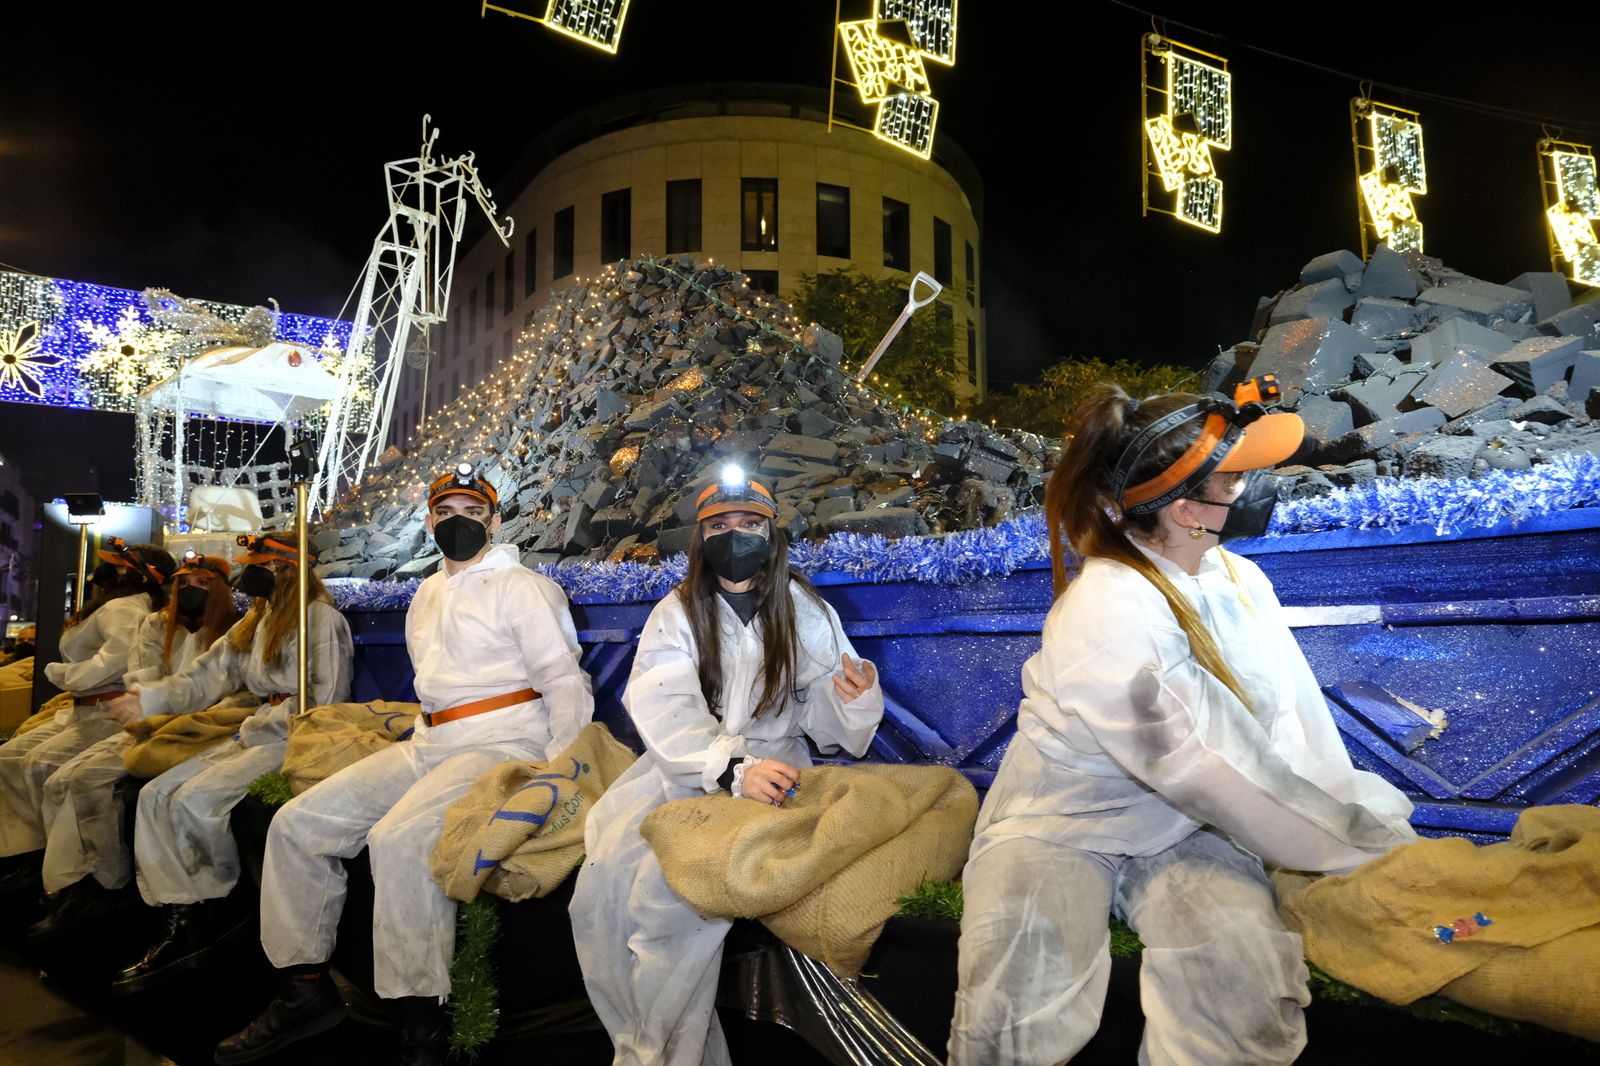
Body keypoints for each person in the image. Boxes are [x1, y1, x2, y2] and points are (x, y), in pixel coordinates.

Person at [946, 380, 1419, 1066]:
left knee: (1246, 983)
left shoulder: (1242, 582)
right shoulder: (1109, 611)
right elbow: (1211, 766)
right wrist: (1359, 849)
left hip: (1188, 826)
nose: (1257, 485)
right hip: (1060, 824)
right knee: (1013, 1006)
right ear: (1182, 506)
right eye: (1235, 477)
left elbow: (1291, 727)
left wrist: (1359, 821)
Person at [215, 462, 594, 1066]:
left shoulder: (523, 587)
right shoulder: (427, 592)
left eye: (473, 513)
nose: (458, 522)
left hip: (502, 741)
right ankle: (304, 990)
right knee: (296, 825)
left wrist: (563, 768)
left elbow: (563, 682)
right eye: (446, 513)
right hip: (430, 740)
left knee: (399, 837)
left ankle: (423, 1021)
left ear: (495, 520)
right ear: (429, 520)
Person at [570, 465, 884, 1066]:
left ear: (771, 532)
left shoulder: (803, 610)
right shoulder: (678, 611)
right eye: (719, 524)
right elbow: (666, 710)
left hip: (776, 780)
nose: (734, 535)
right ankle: (646, 1046)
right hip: (685, 777)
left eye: (748, 523)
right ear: (700, 535)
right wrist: (728, 766)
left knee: (669, 909)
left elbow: (828, 721)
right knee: (600, 895)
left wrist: (853, 697)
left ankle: (655, 1057)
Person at [106, 531, 352, 989]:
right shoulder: (253, 623)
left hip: (293, 737)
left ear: (289, 569)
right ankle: (184, 912)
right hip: (255, 729)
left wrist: (270, 724)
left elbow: (328, 700)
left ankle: (219, 907)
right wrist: (150, 697)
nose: (251, 572)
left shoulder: (320, 619)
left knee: (195, 800)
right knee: (156, 795)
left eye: (263, 564)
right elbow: (203, 678)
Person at [28, 552, 238, 939]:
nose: (192, 590)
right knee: (67, 778)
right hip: (153, 723)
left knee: (118, 785)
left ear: (220, 589)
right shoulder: (156, 624)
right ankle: (88, 879)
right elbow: (147, 678)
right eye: (185, 583)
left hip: (207, 729)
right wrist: (151, 712)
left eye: (203, 584)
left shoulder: (232, 629)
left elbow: (220, 690)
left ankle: (162, 898)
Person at [0, 540, 174, 892]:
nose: (103, 573)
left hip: (107, 711)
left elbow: (114, 660)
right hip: (85, 709)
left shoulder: (125, 608)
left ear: (137, 577)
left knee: (43, 766)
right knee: (9, 759)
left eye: (116, 566)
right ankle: (37, 853)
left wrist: (61, 675)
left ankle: (81, 872)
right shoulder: (118, 605)